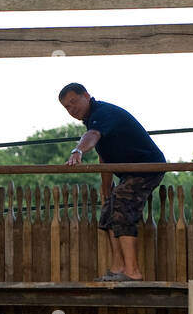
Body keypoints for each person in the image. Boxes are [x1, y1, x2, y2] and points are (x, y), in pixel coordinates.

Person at [58, 83, 166, 282]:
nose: (72, 109)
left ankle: (132, 272)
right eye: (67, 107)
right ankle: (118, 268)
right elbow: (104, 157)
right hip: (128, 173)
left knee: (123, 204)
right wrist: (106, 189)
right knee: (108, 209)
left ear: (87, 95)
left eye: (74, 102)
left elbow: (91, 136)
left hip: (147, 167)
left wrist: (78, 150)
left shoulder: (102, 113)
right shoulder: (93, 121)